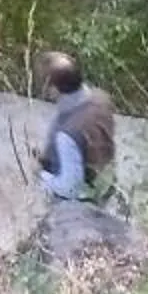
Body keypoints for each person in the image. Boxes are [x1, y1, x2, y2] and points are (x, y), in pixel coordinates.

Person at [36, 51, 115, 201]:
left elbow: (70, 189)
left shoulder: (66, 135)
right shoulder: (102, 99)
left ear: (54, 90)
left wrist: (41, 176)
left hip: (79, 202)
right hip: (105, 182)